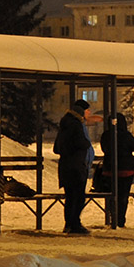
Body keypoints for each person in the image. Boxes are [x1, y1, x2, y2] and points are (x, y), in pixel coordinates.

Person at [54, 98, 98, 235]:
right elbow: (80, 142)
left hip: (70, 166)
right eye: (87, 110)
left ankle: (71, 224)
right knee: (77, 197)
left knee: (71, 197)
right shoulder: (75, 124)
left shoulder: (67, 123)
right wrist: (85, 144)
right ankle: (74, 224)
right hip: (75, 166)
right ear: (81, 111)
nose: (89, 112)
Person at [99, 112, 134, 228]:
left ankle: (112, 217)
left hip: (109, 170)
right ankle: (120, 219)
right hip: (126, 170)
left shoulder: (106, 135)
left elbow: (104, 149)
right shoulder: (125, 136)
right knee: (123, 196)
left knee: (112, 195)